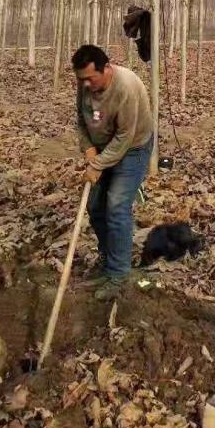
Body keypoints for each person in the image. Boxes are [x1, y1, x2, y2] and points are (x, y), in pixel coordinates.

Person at [72, 44, 153, 300]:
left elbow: (124, 138)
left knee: (116, 205)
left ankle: (118, 275)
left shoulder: (126, 87)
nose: (85, 85)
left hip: (132, 148)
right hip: (103, 146)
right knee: (95, 207)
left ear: (106, 68)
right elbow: (80, 119)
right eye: (80, 79)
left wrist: (97, 165)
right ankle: (108, 262)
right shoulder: (85, 84)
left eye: (90, 78)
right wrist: (89, 151)